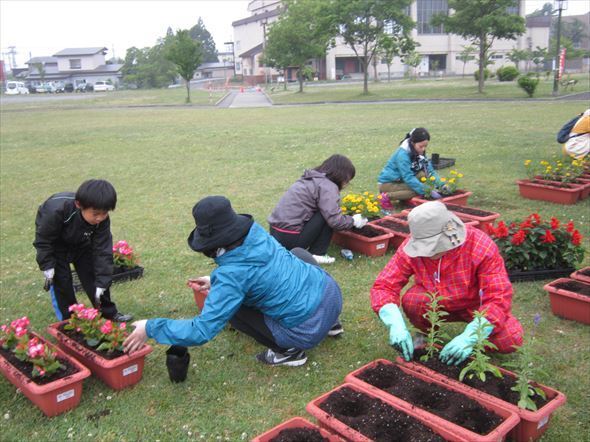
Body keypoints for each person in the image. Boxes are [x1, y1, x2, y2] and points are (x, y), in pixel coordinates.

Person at [123, 196, 343, 367]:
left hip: (305, 329)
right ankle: (332, 323)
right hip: (331, 296)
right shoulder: (254, 233)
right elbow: (256, 269)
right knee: (297, 254)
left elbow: (201, 330)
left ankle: (288, 353)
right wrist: (215, 279)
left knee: (235, 312)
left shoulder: (232, 277)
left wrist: (149, 328)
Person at [370, 201, 523, 365]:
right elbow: (384, 286)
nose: (427, 253)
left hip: (474, 306)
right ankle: (426, 338)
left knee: (511, 338)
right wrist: (395, 324)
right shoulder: (410, 246)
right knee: (413, 300)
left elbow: (498, 297)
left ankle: (472, 348)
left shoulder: (479, 245)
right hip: (433, 302)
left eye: (432, 247)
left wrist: (469, 338)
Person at [33, 179, 132, 322]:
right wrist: (47, 264)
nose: (100, 218)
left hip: (82, 244)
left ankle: (109, 313)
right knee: (62, 282)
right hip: (56, 247)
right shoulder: (54, 210)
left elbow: (102, 250)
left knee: (93, 275)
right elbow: (43, 240)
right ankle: (70, 321)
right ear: (79, 205)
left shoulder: (102, 218)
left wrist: (102, 282)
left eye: (104, 213)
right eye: (96, 214)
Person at [268, 154, 367, 265]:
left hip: (275, 235)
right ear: (342, 176)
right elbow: (335, 221)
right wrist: (354, 221)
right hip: (290, 238)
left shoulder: (310, 179)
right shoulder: (328, 186)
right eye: (347, 180)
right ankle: (318, 254)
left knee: (324, 211)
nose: (346, 184)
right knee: (325, 215)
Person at [378, 128, 444, 205]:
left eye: (425, 146)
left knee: (422, 175)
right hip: (388, 184)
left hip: (401, 181)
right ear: (413, 143)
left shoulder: (418, 152)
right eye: (421, 146)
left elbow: (430, 171)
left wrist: (442, 185)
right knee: (418, 190)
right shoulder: (402, 155)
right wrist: (427, 190)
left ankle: (403, 198)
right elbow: (408, 177)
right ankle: (385, 197)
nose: (423, 149)